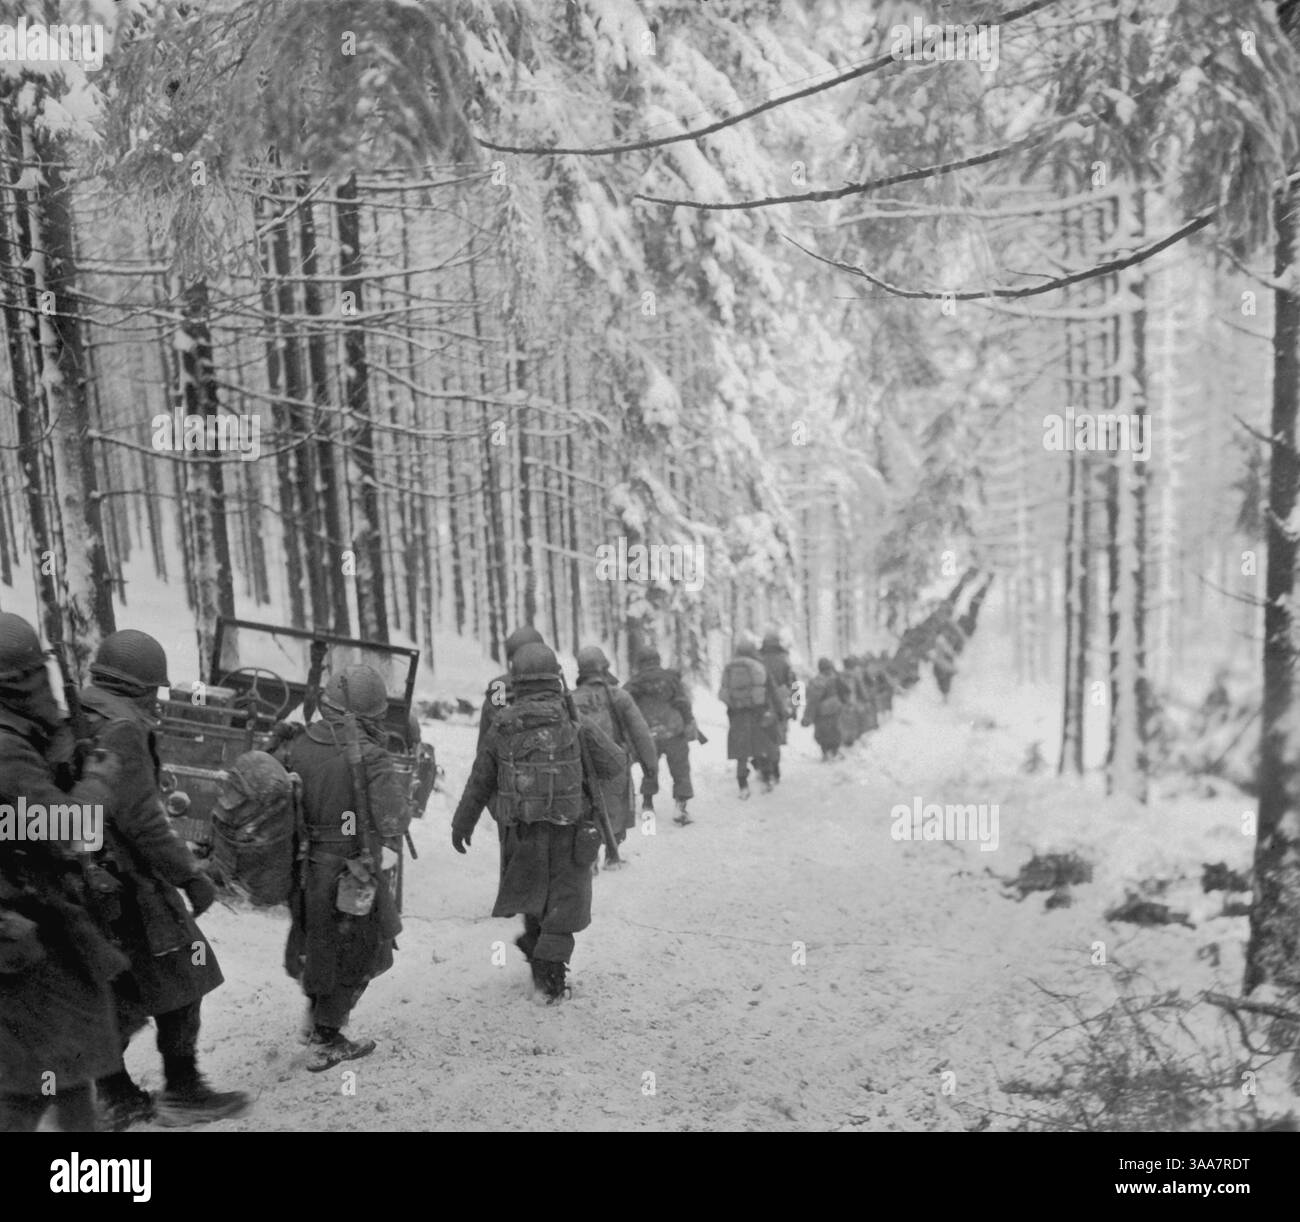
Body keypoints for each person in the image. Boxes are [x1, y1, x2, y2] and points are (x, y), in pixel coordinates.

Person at [80, 629, 247, 1128]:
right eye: (154, 689)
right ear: (140, 686)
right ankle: (182, 1088)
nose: (156, 699)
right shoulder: (123, 726)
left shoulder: (80, 713)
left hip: (89, 877)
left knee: (117, 987)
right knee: (185, 974)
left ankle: (114, 1092)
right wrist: (190, 875)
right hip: (130, 880)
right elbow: (143, 820)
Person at [0, 613, 128, 1132]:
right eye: (36, 674)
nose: (45, 684)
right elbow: (67, 830)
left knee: (68, 1068)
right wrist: (98, 780)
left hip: (38, 926)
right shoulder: (6, 748)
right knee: (29, 1086)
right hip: (23, 931)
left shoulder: (17, 736)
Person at [451, 643, 623, 1001]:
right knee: (563, 904)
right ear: (555, 678)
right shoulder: (574, 723)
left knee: (533, 899)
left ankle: (536, 950)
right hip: (571, 833)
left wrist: (461, 823)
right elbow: (614, 764)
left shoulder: (502, 725)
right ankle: (551, 982)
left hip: (522, 833)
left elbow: (479, 780)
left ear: (517, 680)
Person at [278, 664, 409, 1071]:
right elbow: (394, 821)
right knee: (365, 951)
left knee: (319, 945)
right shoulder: (370, 756)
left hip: (304, 870)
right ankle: (326, 1037)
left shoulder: (297, 744)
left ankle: (317, 1018)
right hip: (350, 873)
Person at [570, 646, 658, 860]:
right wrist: (650, 766)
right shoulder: (619, 696)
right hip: (616, 763)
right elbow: (641, 734)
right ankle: (612, 852)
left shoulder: (570, 699)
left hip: (580, 764)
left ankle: (590, 857)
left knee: (586, 808)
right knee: (617, 808)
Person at [624, 646, 699, 825]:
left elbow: (625, 708)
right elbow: (682, 702)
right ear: (657, 660)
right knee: (680, 770)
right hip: (674, 732)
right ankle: (680, 807)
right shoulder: (671, 678)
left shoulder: (634, 682)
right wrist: (689, 721)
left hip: (648, 734)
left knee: (649, 769)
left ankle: (648, 805)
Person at [719, 636, 783, 797]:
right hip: (761, 709)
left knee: (741, 749)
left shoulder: (730, 667)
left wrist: (733, 706)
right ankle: (770, 775)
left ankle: (742, 785)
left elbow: (724, 691)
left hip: (737, 713)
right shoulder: (768, 664)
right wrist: (790, 708)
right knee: (765, 744)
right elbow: (791, 685)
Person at [802, 658, 851, 760]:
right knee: (835, 731)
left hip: (820, 712)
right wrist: (844, 703)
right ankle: (834, 751)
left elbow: (811, 700)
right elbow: (846, 691)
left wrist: (807, 717)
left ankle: (825, 752)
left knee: (821, 732)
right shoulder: (836, 678)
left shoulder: (815, 681)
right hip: (834, 710)